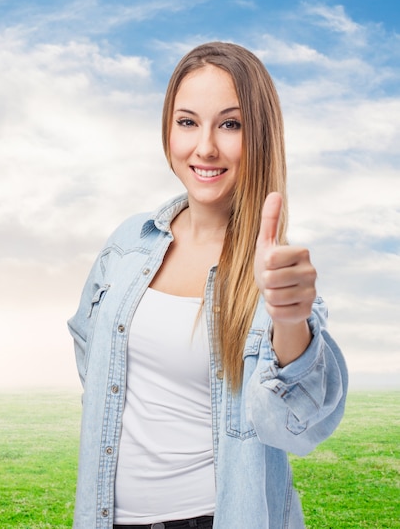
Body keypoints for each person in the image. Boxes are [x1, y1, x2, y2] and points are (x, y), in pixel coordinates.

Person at [67, 41, 347, 529]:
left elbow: (298, 429)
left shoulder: (274, 275)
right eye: (188, 121)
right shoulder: (130, 242)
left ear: (259, 135)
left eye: (231, 124)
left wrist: (290, 321)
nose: (205, 147)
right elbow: (91, 353)